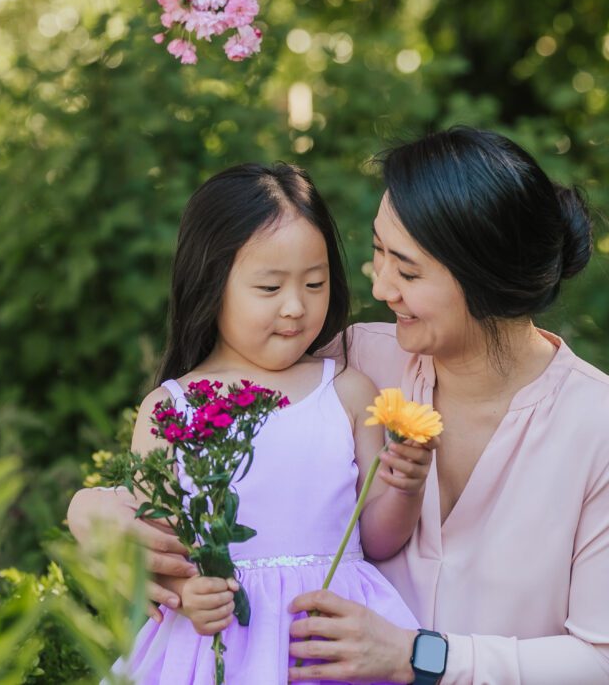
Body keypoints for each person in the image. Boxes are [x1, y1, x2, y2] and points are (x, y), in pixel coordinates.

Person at [70, 127, 609, 684]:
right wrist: (92, 511)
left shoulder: (607, 431)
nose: (379, 289)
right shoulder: (353, 359)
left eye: (407, 270)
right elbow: (211, 420)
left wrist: (420, 656)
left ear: (486, 280)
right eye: (378, 254)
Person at [82, 162, 423, 684]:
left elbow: (374, 539)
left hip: (330, 639)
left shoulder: (348, 391)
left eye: (315, 282)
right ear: (211, 282)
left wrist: (403, 489)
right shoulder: (171, 408)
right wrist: (188, 593)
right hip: (217, 644)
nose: (295, 307)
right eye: (268, 288)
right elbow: (157, 547)